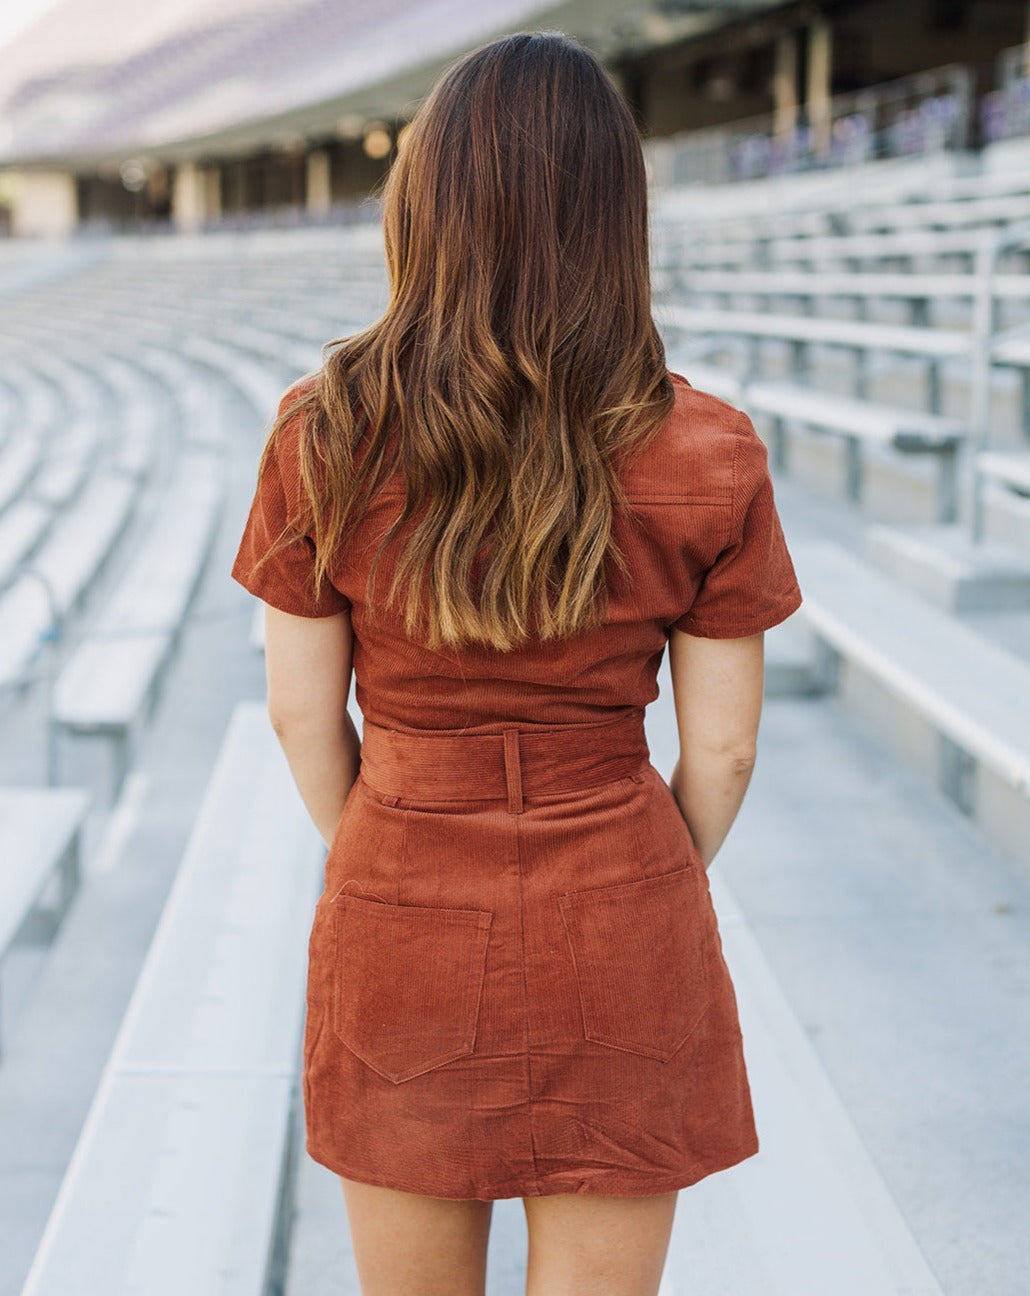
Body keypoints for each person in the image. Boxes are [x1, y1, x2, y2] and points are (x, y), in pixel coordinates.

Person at [230, 29, 802, 1296]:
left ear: (424, 204)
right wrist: (642, 874)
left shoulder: (324, 431)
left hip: (402, 888)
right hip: (620, 888)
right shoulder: (708, 449)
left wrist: (382, 844)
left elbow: (297, 714)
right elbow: (722, 748)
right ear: (615, 217)